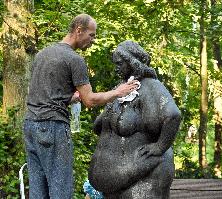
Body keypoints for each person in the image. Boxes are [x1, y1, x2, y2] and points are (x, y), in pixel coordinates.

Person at [23, 14, 138, 199]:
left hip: (30, 126)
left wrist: (68, 99)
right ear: (79, 30)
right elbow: (90, 100)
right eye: (91, 35)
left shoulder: (42, 54)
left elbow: (40, 95)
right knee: (60, 189)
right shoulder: (74, 59)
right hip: (53, 128)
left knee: (38, 190)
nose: (93, 40)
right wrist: (119, 92)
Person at [88, 40, 181, 198]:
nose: (116, 68)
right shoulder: (121, 89)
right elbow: (98, 126)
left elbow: (173, 115)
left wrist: (159, 147)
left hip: (143, 178)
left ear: (132, 62)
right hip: (115, 184)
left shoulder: (152, 86)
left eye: (119, 64)